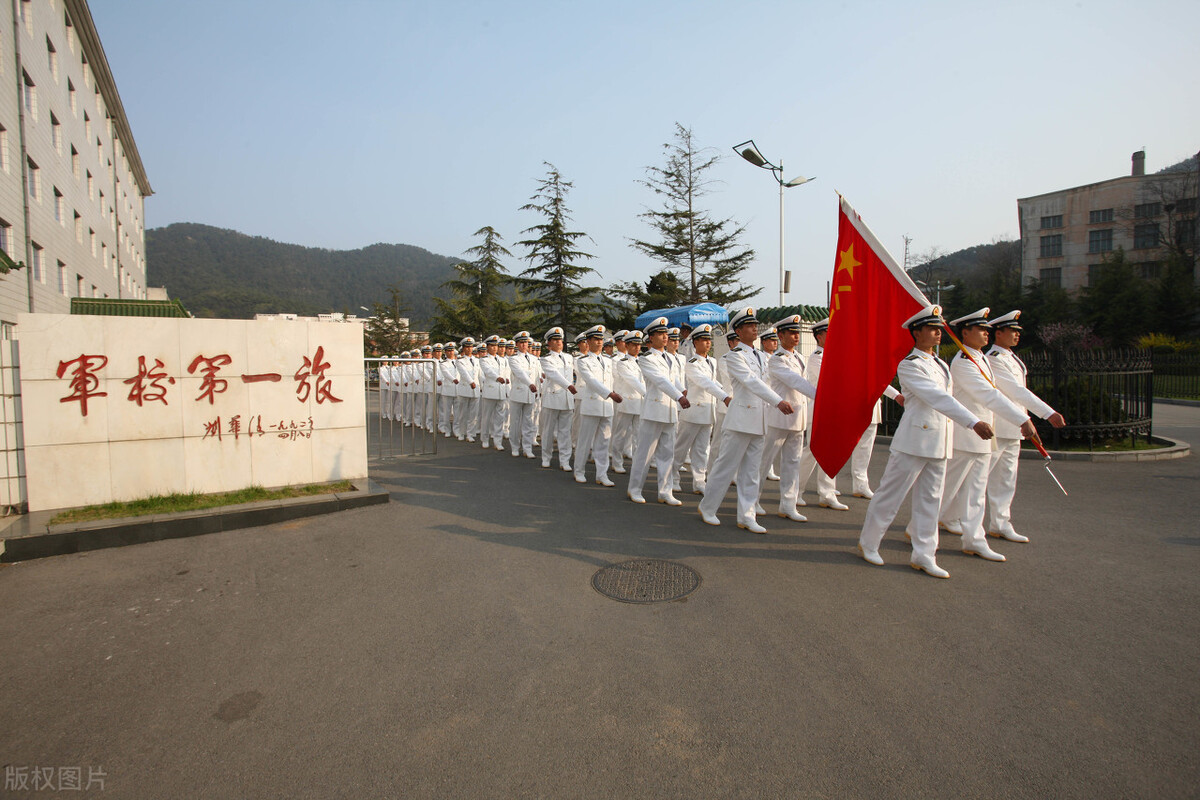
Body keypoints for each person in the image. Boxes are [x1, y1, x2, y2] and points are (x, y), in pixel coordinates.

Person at [857, 305, 994, 579]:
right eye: (932, 329)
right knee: (890, 496)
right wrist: (972, 421)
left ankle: (924, 554)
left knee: (930, 501)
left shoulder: (941, 364)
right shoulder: (910, 365)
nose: (938, 333)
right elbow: (937, 398)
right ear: (916, 332)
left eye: (939, 329)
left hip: (940, 441)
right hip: (914, 441)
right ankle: (869, 543)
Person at [936, 308, 1036, 563]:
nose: (986, 333)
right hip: (968, 433)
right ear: (965, 332)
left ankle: (974, 539)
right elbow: (989, 396)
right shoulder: (963, 361)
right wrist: (1023, 419)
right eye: (981, 329)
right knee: (948, 487)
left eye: (986, 329)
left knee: (975, 491)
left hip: (984, 435)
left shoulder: (979, 358)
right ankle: (920, 526)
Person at [698, 308, 794, 533]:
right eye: (749, 325)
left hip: (759, 420)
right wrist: (777, 401)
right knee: (725, 466)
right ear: (738, 331)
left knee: (751, 471)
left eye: (755, 325)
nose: (754, 328)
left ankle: (747, 515)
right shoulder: (734, 356)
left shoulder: (761, 355)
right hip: (741, 419)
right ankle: (708, 507)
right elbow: (752, 382)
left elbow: (767, 382)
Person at [983, 310, 1067, 542]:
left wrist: (1028, 421)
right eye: (1012, 331)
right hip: (999, 426)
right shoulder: (993, 359)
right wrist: (1048, 413)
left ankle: (1000, 523)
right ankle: (956, 517)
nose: (1017, 336)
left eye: (1018, 332)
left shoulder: (1011, 358)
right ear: (998, 333)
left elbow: (1020, 398)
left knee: (1006, 479)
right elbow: (1015, 391)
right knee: (979, 477)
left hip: (1014, 428)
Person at [627, 317, 690, 505]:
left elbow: (675, 379)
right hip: (654, 410)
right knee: (645, 453)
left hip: (669, 411)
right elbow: (660, 380)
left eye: (666, 334)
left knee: (667, 454)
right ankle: (635, 488)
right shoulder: (646, 359)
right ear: (651, 337)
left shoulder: (671, 358)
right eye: (661, 334)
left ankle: (665, 491)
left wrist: (684, 390)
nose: (665, 337)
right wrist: (679, 396)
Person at [761, 315, 817, 522]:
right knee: (764, 462)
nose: (796, 336)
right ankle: (752, 499)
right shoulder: (776, 360)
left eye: (797, 333)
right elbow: (795, 381)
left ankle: (788, 504)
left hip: (798, 418)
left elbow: (806, 382)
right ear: (781, 335)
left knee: (792, 464)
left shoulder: (800, 358)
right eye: (791, 333)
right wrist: (821, 396)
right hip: (779, 418)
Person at [671, 324, 728, 496]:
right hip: (693, 411)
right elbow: (705, 382)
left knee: (703, 450)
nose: (707, 343)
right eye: (703, 340)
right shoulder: (691, 363)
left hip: (708, 412)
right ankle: (673, 477)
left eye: (708, 339)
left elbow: (714, 382)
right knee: (681, 448)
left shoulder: (712, 361)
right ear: (695, 343)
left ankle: (699, 481)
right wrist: (724, 397)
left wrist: (726, 394)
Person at [574, 325, 621, 486]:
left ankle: (602, 474)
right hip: (592, 405)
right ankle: (579, 471)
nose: (599, 342)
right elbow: (591, 381)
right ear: (588, 341)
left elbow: (612, 380)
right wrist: (610, 394)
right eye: (596, 339)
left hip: (606, 406)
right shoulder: (583, 361)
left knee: (603, 442)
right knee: (585, 441)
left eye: (601, 339)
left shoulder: (608, 361)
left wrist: (613, 393)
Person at [539, 327, 576, 471]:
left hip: (567, 398)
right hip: (553, 397)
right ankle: (546, 457)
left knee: (565, 432)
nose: (559, 342)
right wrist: (569, 386)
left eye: (560, 339)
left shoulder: (568, 357)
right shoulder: (546, 359)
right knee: (548, 431)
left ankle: (565, 460)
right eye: (555, 340)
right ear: (549, 343)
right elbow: (554, 374)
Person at [610, 330, 646, 475]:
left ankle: (637, 464)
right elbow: (633, 381)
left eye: (639, 345)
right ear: (627, 345)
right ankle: (617, 462)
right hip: (626, 402)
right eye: (633, 345)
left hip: (641, 403)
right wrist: (647, 393)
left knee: (639, 435)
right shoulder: (621, 363)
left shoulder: (643, 361)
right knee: (621, 434)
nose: (637, 348)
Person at [506, 331, 540, 458]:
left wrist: (538, 390)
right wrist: (530, 384)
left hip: (530, 394)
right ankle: (515, 446)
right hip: (518, 393)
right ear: (517, 344)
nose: (524, 345)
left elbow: (537, 376)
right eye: (521, 342)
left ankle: (527, 448)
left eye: (526, 342)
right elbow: (520, 373)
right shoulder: (513, 358)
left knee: (528, 422)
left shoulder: (534, 359)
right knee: (515, 422)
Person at [758, 325, 782, 481]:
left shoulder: (779, 357)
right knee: (763, 438)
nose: (775, 343)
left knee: (770, 438)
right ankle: (763, 468)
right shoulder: (760, 357)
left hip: (774, 402)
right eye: (771, 340)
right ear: (764, 342)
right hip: (763, 400)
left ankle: (769, 468)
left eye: (776, 340)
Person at [478, 335, 506, 450]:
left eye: (496, 345)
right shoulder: (484, 359)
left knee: (500, 418)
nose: (494, 348)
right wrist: (497, 377)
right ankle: (484, 439)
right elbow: (488, 371)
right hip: (490, 390)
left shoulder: (502, 360)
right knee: (487, 417)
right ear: (487, 347)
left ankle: (497, 441)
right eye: (492, 345)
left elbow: (507, 374)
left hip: (501, 391)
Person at [454, 338, 480, 441]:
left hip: (476, 389)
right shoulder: (460, 361)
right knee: (463, 413)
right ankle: (461, 432)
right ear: (463, 348)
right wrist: (471, 382)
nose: (469, 349)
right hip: (465, 388)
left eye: (470, 346)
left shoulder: (477, 360)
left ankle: (470, 433)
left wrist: (482, 386)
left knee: (473, 414)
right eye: (467, 347)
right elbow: (464, 373)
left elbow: (480, 375)